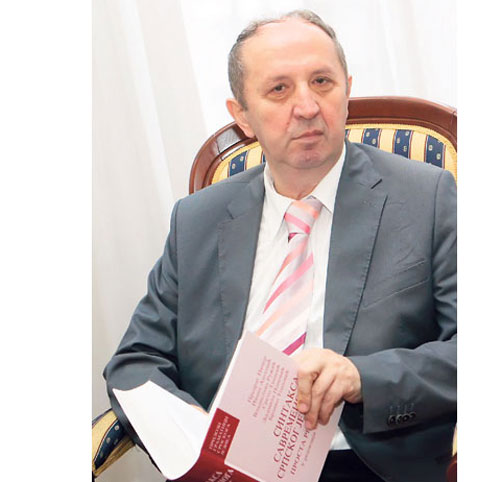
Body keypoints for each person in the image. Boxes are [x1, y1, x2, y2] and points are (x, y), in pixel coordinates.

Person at [104, 10, 456, 482]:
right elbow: (135, 363)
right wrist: (193, 437)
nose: (307, 106)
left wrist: (363, 378)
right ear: (242, 116)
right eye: (279, 89)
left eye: (322, 82)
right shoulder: (198, 219)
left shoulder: (426, 197)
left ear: (347, 91)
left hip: (362, 464)